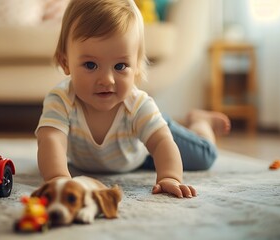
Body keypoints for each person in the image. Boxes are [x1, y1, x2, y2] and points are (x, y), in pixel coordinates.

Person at [35, 0, 230, 198]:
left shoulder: (138, 105)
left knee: (204, 157)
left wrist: (170, 177)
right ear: (65, 62)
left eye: (120, 66)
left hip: (141, 151)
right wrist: (57, 179)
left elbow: (162, 142)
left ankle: (201, 123)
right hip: (112, 155)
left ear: (136, 66)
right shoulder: (61, 99)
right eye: (91, 65)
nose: (107, 80)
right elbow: (51, 139)